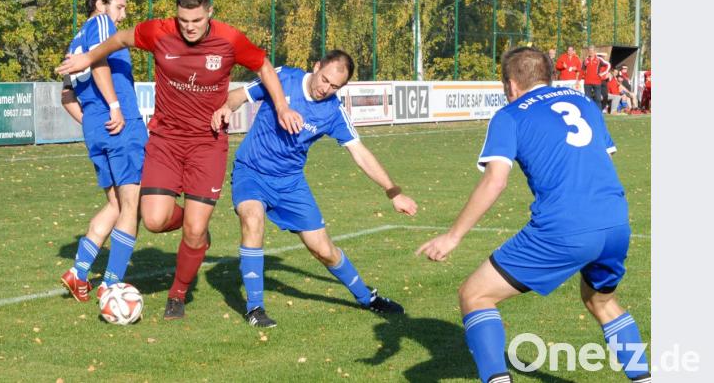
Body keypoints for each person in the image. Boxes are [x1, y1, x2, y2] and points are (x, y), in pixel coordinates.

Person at [57, 0, 303, 320]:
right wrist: (88, 56)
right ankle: (194, 229)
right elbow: (119, 38)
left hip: (208, 143)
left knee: (194, 230)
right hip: (165, 142)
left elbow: (262, 66)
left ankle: (177, 295)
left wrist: (282, 107)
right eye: (184, 20)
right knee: (155, 219)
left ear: (210, 12)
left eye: (197, 21)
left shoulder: (229, 39)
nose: (189, 27)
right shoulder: (159, 31)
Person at [416, 47, 650, 383]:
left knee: (475, 294)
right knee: (601, 301)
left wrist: (452, 236)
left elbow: (495, 181)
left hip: (564, 227)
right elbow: (605, 161)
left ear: (510, 85)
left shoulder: (510, 116)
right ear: (549, 75)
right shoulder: (584, 103)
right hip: (615, 220)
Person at [211, 50, 418, 327]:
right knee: (252, 218)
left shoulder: (333, 111)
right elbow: (240, 95)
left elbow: (360, 153)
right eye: (324, 80)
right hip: (252, 171)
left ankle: (367, 298)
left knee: (323, 250)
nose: (325, 89)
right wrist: (227, 107)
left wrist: (393, 191)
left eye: (335, 87)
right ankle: (255, 308)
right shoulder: (283, 78)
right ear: (317, 66)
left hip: (291, 183)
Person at [59, 0, 148, 302]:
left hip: (98, 128)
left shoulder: (74, 41)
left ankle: (78, 272)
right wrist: (113, 106)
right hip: (119, 125)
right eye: (120, 6)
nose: (123, 13)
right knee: (132, 206)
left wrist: (91, 122)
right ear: (101, 4)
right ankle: (111, 284)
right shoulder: (100, 24)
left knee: (115, 205)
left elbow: (66, 96)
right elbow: (99, 64)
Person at [581, 45, 611, 110]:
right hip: (587, 82)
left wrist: (602, 74)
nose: (591, 52)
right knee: (587, 99)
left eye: (592, 51)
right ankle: (589, 112)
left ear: (595, 51)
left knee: (598, 98)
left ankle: (599, 113)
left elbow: (608, 65)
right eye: (590, 51)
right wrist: (582, 77)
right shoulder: (586, 60)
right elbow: (582, 70)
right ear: (588, 51)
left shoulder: (599, 59)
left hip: (597, 81)